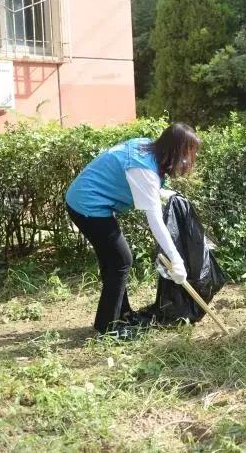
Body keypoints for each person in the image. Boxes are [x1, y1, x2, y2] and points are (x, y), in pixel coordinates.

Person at [65, 123, 201, 340]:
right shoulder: (144, 169)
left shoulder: (146, 146)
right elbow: (155, 221)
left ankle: (122, 315)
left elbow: (131, 178)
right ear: (174, 151)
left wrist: (159, 191)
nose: (187, 161)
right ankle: (107, 328)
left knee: (113, 262)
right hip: (87, 205)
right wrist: (176, 260)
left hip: (84, 198)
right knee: (121, 261)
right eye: (186, 154)